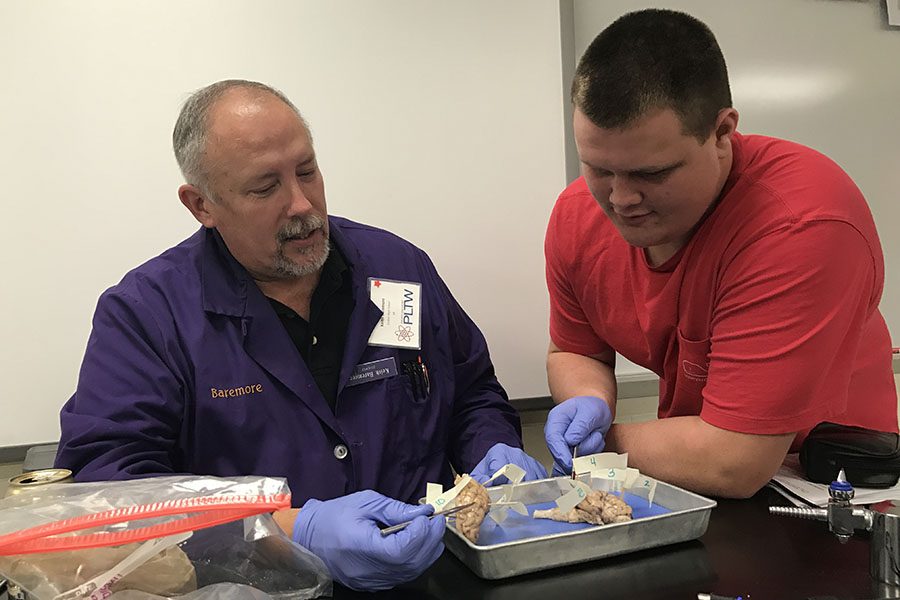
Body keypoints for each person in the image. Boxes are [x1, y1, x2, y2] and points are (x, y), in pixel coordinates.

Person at [55, 79, 546, 591]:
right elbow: (109, 490)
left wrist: (491, 451)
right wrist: (285, 531)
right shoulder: (147, 315)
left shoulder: (397, 270)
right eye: (265, 188)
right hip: (254, 587)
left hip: (426, 577)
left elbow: (471, 394)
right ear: (201, 205)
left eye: (307, 171)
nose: (301, 204)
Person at [542, 9, 898, 499]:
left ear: (723, 133)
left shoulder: (802, 222)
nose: (620, 199)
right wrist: (588, 403)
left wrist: (591, 448)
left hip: (826, 485)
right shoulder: (579, 216)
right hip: (696, 470)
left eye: (652, 173)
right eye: (599, 168)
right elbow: (575, 349)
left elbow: (733, 461)